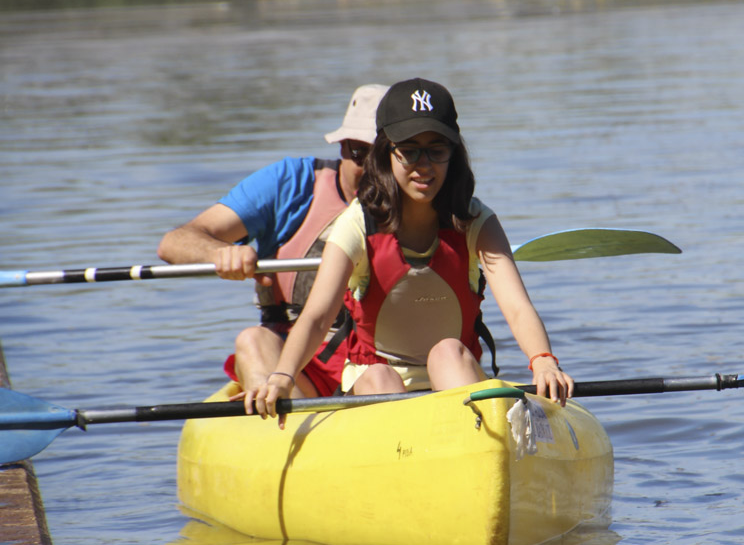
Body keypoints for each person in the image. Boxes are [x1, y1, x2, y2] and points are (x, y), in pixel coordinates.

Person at [235, 77, 573, 418]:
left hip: (454, 375)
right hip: (376, 384)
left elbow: (516, 307)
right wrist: (282, 377)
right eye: (409, 151)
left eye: (436, 150)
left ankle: (477, 439)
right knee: (381, 377)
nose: (423, 165)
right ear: (386, 154)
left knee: (447, 352)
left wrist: (543, 362)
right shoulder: (356, 224)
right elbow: (318, 316)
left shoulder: (474, 220)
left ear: (453, 156)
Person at [158, 84, 388, 398]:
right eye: (360, 153)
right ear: (343, 147)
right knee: (251, 341)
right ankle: (280, 422)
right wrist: (221, 252)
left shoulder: (424, 196)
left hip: (383, 362)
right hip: (297, 363)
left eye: (384, 157)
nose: (372, 170)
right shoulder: (291, 183)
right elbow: (173, 243)